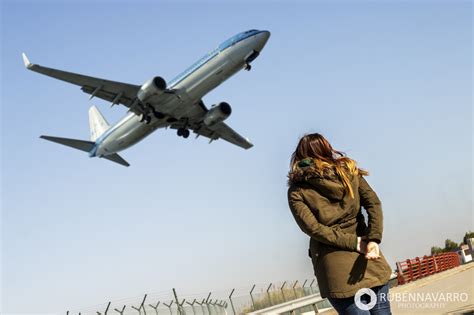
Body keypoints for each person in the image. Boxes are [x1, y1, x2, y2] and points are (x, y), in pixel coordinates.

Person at [287, 133, 392, 315]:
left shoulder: (297, 191)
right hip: (370, 259)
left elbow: (314, 229)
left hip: (336, 272)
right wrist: (373, 240)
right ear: (327, 150)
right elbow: (373, 203)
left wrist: (355, 243)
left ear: (299, 157)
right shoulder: (349, 172)